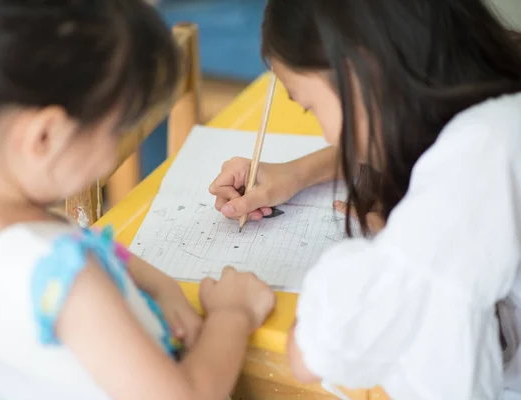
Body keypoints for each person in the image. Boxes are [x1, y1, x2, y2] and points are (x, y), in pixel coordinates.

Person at [0, 1, 275, 399]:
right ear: (44, 137)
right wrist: (232, 314)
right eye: (117, 129)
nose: (114, 153)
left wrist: (158, 283)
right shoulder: (72, 283)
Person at [209, 0, 521, 398]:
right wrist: (297, 172)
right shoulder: (495, 104)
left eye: (310, 107)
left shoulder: (477, 160)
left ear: (360, 71)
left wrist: (403, 235)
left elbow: (314, 350)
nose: (326, 136)